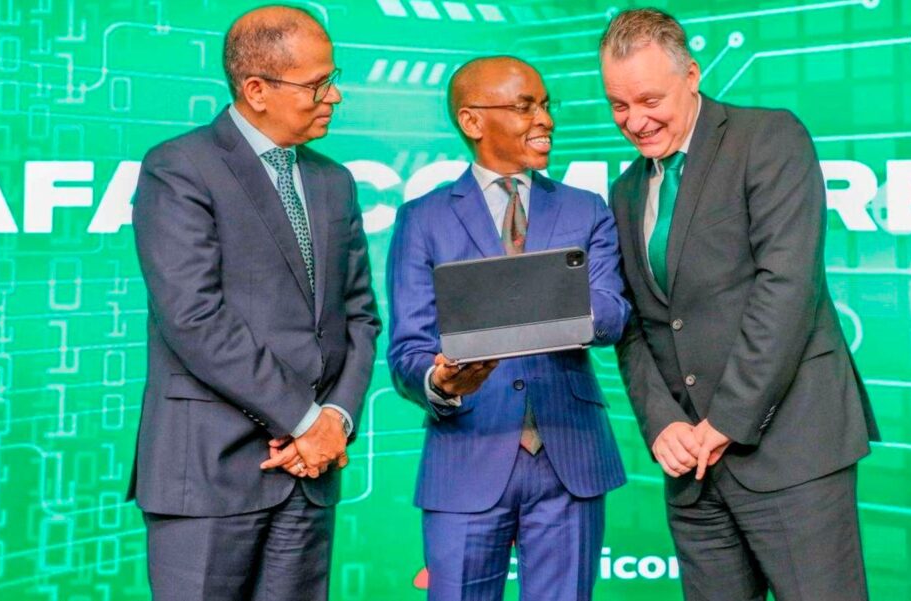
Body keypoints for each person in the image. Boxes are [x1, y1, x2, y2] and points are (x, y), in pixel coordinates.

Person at [599, 8, 880, 601]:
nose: (635, 121)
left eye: (649, 100)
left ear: (691, 75)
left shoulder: (768, 139)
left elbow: (788, 287)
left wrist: (725, 420)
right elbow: (635, 323)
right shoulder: (624, 191)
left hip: (792, 453)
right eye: (619, 105)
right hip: (692, 473)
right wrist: (662, 423)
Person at [128, 6, 380, 599]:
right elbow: (193, 318)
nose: (334, 95)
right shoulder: (178, 167)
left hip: (310, 475)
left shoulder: (333, 180)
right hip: (208, 473)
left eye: (333, 78)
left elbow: (360, 317)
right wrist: (305, 420)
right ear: (257, 90)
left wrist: (335, 421)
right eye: (317, 84)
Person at [386, 56, 630, 601]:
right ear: (472, 121)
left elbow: (613, 312)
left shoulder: (586, 209)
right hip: (465, 455)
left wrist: (552, 306)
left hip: (569, 456)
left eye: (545, 105)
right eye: (525, 106)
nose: (545, 119)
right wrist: (441, 383)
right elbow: (408, 350)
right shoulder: (423, 218)